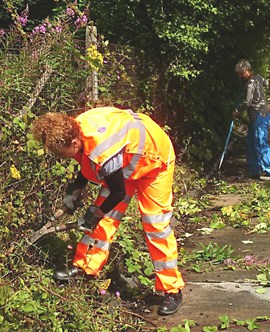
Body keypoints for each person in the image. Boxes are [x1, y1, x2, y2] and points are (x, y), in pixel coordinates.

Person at [31, 107, 185, 315]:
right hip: (125, 164)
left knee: (155, 225)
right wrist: (75, 191)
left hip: (154, 162)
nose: (60, 158)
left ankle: (172, 290)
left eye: (60, 154)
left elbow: (117, 193)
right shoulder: (74, 127)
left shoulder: (103, 149)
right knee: (103, 219)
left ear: (74, 142)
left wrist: (95, 213)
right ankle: (85, 268)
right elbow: (87, 160)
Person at [234, 59, 270, 181]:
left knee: (260, 142)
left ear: (247, 70)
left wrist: (237, 111)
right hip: (256, 115)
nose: (240, 76)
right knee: (251, 141)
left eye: (242, 73)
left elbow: (247, 102)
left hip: (259, 114)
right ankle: (254, 169)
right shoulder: (257, 77)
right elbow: (266, 84)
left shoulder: (250, 82)